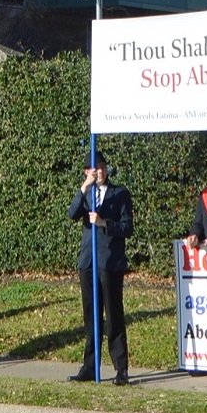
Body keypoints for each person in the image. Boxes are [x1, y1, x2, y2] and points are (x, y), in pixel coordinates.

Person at [68, 153, 132, 384]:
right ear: (87, 172)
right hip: (88, 262)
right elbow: (72, 214)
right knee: (91, 316)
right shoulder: (86, 193)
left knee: (113, 315)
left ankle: (120, 368)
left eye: (103, 167)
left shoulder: (120, 193)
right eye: (95, 169)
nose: (100, 172)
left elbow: (127, 227)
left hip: (109, 262)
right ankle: (90, 365)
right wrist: (84, 188)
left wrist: (105, 223)